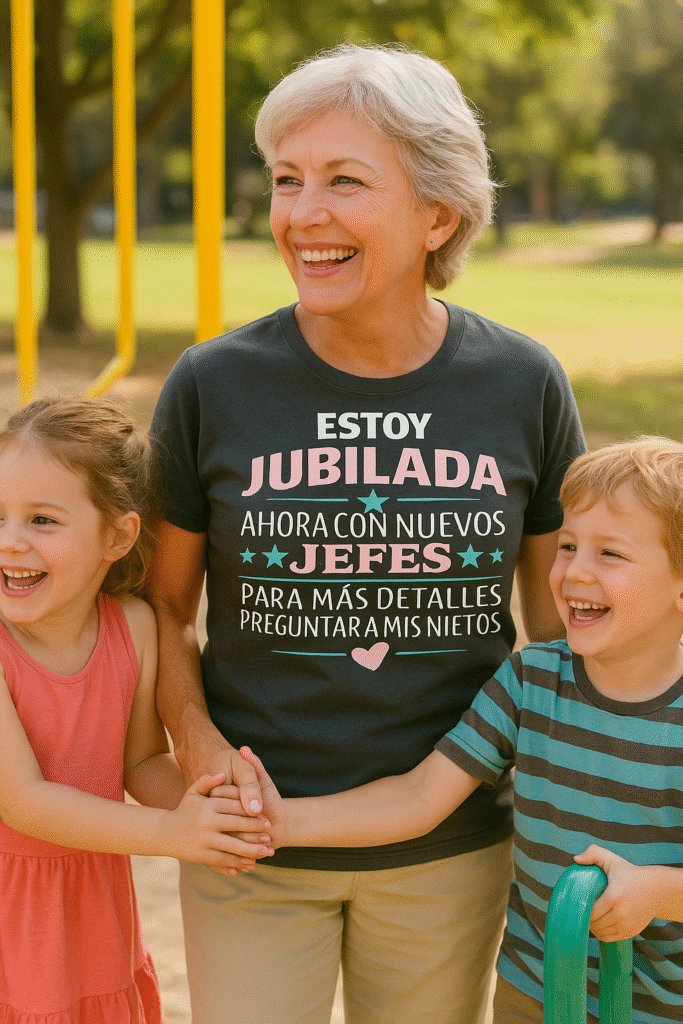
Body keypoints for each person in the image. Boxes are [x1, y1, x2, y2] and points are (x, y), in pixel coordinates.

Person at [148, 42, 585, 1024]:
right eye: (286, 180)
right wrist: (201, 746)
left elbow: (560, 632)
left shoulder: (522, 384)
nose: (303, 214)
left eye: (344, 181)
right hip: (250, 843)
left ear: (438, 213)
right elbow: (162, 610)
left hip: (453, 847)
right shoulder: (211, 384)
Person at [237, 436, 683, 1024]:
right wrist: (279, 821)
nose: (574, 572)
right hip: (534, 991)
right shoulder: (534, 677)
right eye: (568, 545)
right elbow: (420, 795)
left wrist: (653, 891)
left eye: (611, 555)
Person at [0, 397, 272, 1024]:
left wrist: (215, 807)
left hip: (93, 924)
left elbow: (143, 762)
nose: (12, 542)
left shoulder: (136, 630)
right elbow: (22, 800)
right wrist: (174, 835)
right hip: (12, 927)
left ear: (117, 536)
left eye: (42, 520)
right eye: (1, 516)